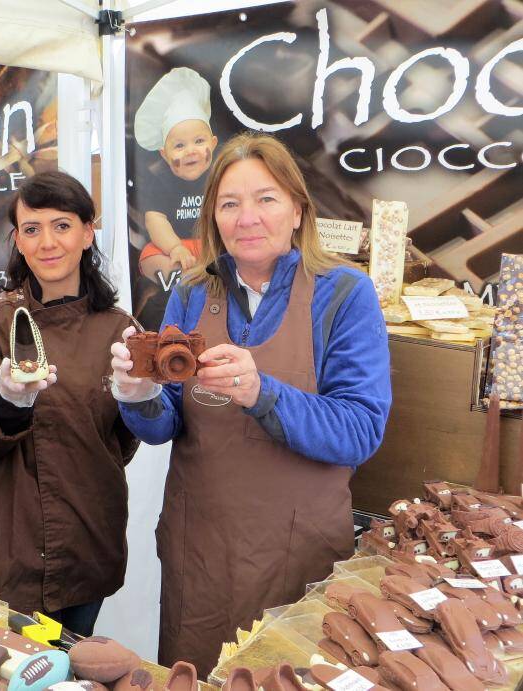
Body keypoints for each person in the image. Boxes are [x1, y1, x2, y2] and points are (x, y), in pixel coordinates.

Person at [111, 132, 392, 674]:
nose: (248, 218)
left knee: (283, 675)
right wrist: (139, 395)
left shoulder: (343, 294)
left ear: (297, 210)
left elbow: (360, 430)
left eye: (266, 199)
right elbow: (165, 422)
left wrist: (262, 392)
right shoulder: (193, 291)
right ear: (212, 217)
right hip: (202, 552)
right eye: (230, 204)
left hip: (298, 553)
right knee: (193, 676)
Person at [0, 171, 139, 636]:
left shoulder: (119, 329)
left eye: (62, 225)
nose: (47, 242)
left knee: (67, 669)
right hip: (4, 547)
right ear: (17, 240)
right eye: (32, 229)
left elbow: (122, 441)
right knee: (4, 673)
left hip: (87, 543)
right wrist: (8, 401)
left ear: (88, 232)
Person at [134, 67, 218, 282]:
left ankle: (207, 278)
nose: (191, 150)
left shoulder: (221, 175)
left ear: (214, 143)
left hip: (215, 246)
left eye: (199, 141)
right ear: (164, 154)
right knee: (148, 256)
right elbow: (155, 220)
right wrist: (175, 248)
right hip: (180, 246)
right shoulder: (160, 181)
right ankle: (189, 281)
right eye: (179, 145)